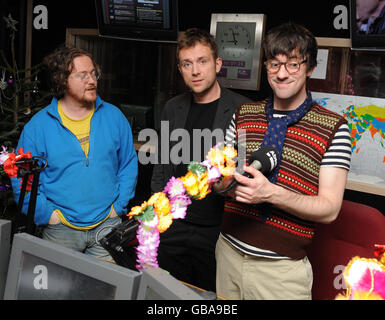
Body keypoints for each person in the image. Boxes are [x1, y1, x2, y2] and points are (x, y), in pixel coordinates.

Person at [214, 22, 352, 300]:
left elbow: (329, 209)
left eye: (293, 65)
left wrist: (270, 194)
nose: (282, 74)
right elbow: (224, 178)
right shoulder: (243, 114)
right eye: (275, 64)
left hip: (280, 272)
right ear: (265, 66)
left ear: (310, 67)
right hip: (227, 252)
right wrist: (220, 182)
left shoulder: (333, 127)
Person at [11, 47, 138, 261]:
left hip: (107, 226)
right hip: (60, 230)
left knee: (105, 291)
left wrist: (118, 207)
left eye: (93, 73)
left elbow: (128, 163)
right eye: (82, 75)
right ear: (63, 80)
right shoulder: (38, 126)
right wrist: (48, 216)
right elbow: (19, 175)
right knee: (59, 291)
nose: (92, 80)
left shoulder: (114, 117)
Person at [151, 28, 250, 292]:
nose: (195, 71)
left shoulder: (244, 110)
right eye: (187, 63)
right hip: (174, 226)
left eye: (202, 61)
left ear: (217, 64)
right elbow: (161, 165)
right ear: (180, 69)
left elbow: (243, 173)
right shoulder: (173, 108)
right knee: (166, 293)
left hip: (217, 231)